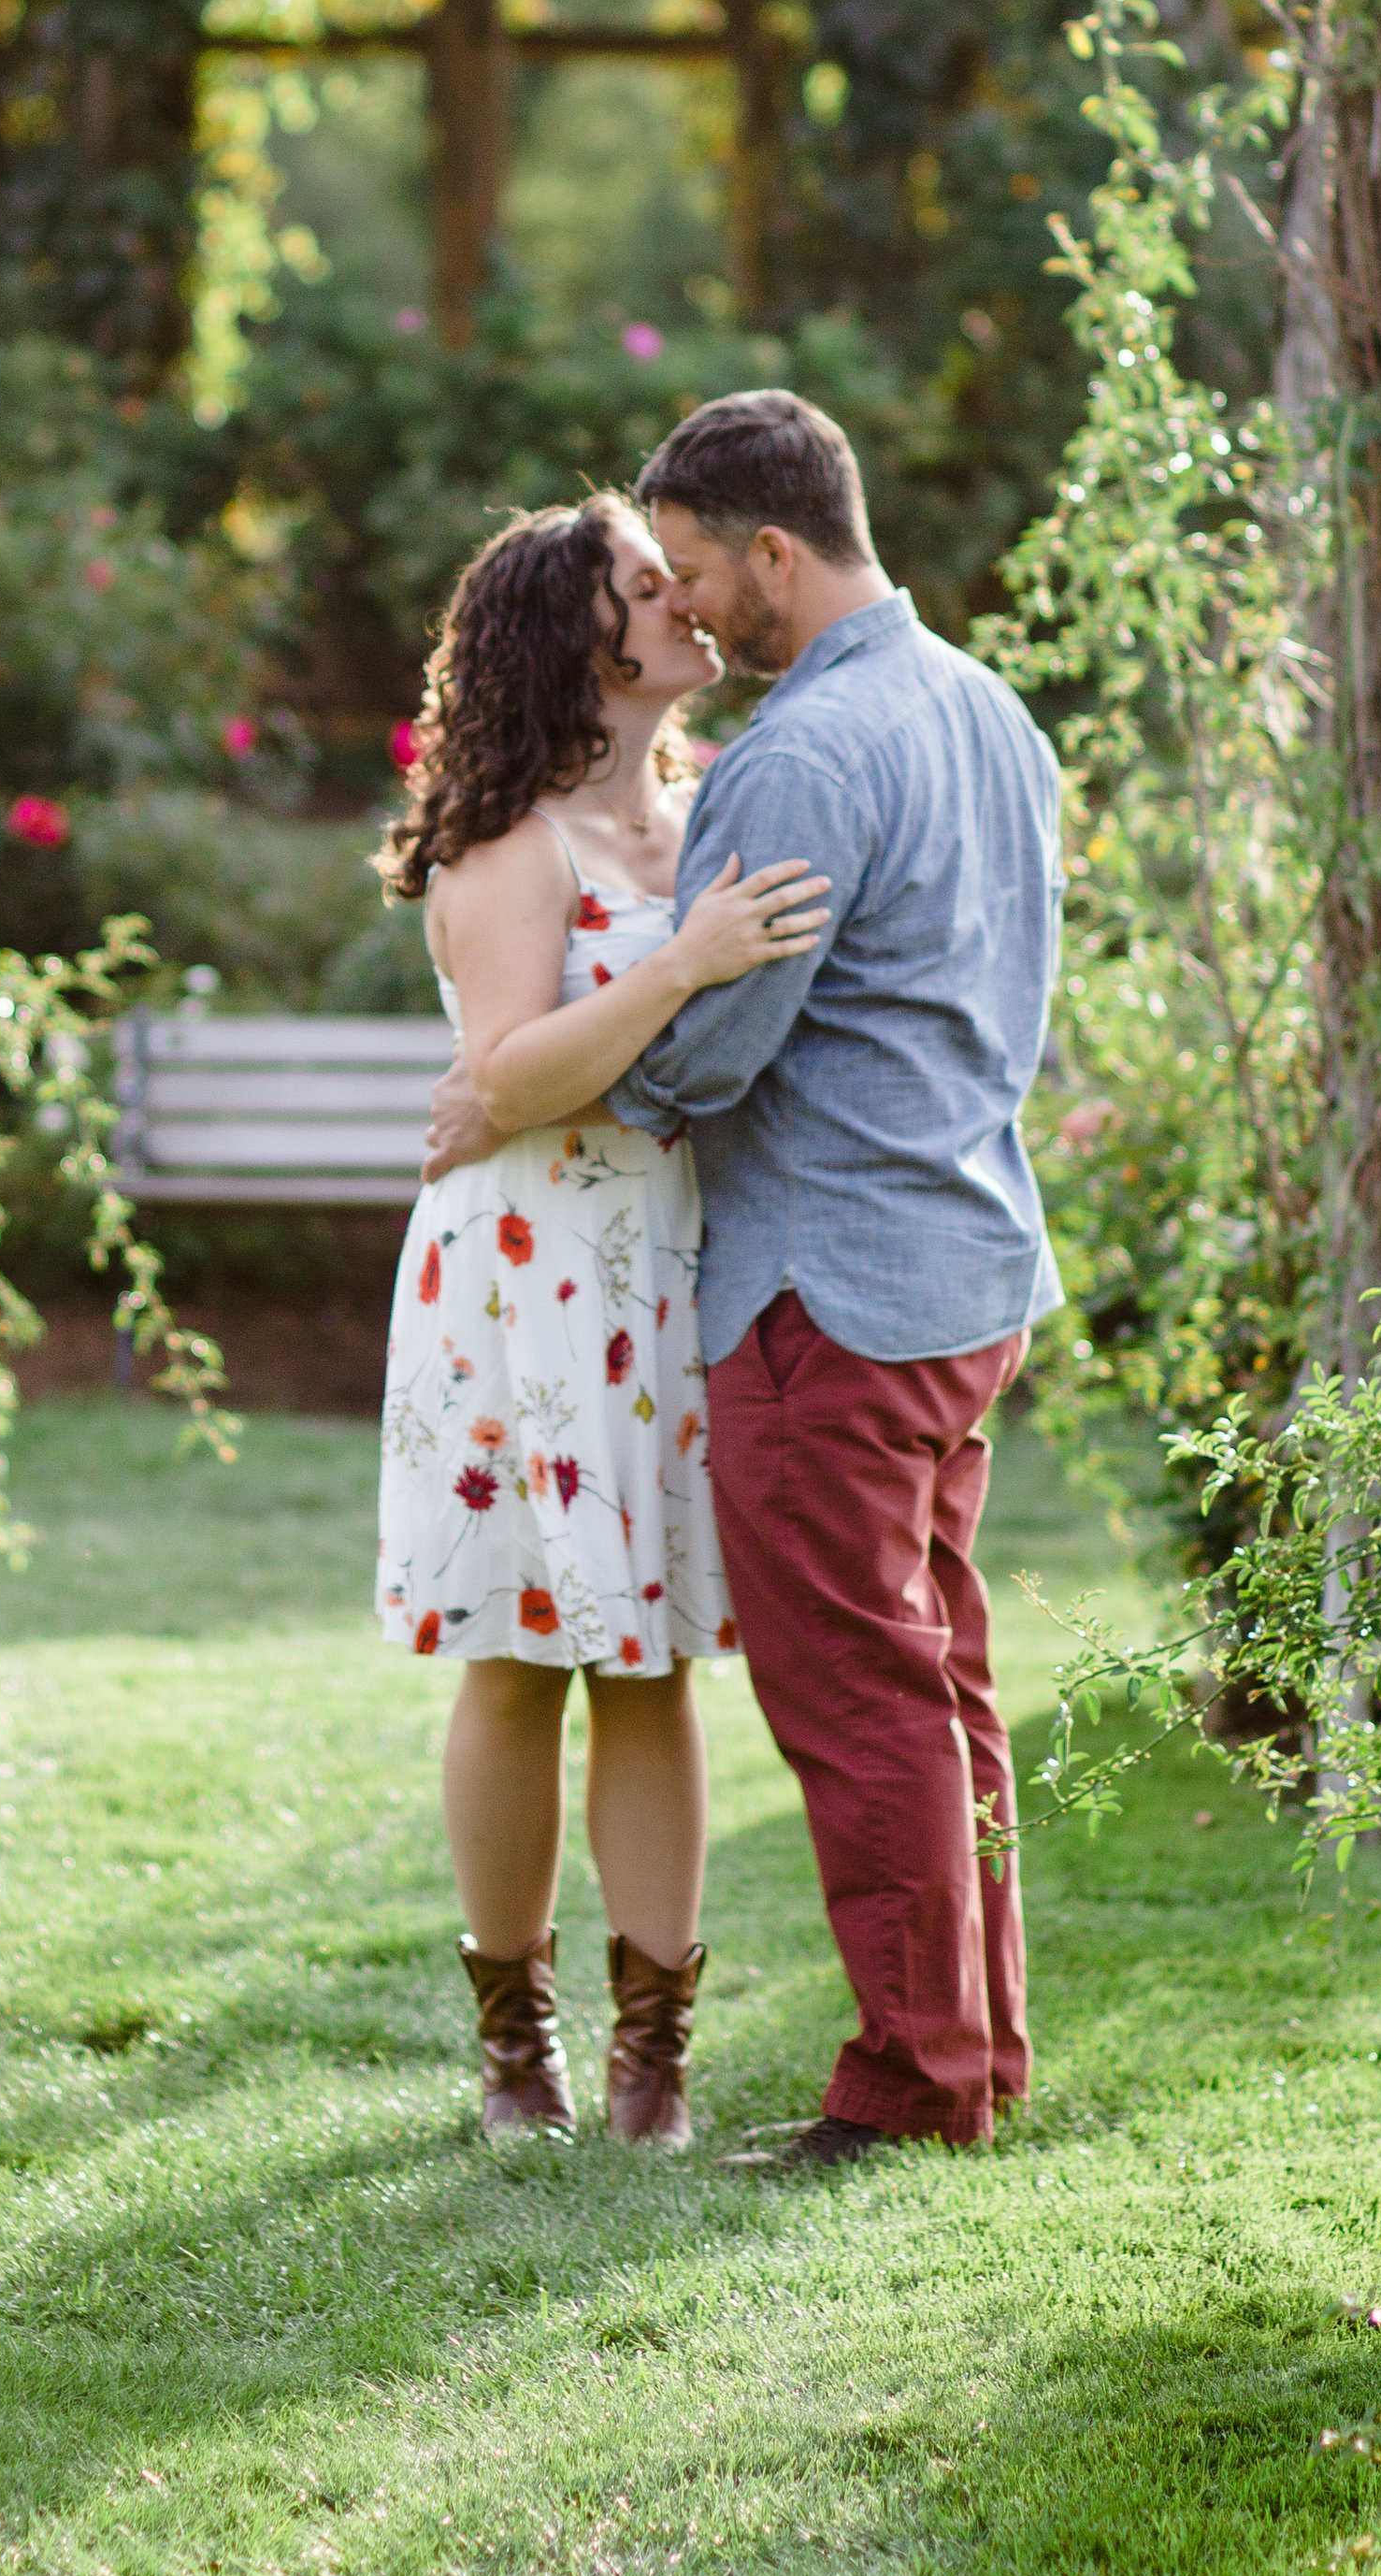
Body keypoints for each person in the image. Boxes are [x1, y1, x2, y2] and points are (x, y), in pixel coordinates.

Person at [424, 394, 1063, 2170]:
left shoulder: (792, 761)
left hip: (820, 1295)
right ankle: (976, 2053)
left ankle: (919, 2083)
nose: (695, 609)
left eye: (699, 572)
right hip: (959, 1265)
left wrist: (524, 1084)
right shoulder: (988, 711)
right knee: (936, 1686)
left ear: (775, 550)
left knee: (862, 1696)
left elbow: (707, 1064)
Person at [377, 494, 828, 2151]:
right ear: (584, 638)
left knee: (654, 1665)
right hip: (520, 1278)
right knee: (517, 1660)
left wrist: (694, 955)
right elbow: (507, 1077)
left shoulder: (708, 811)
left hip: (663, 1267)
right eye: (651, 586)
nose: (686, 604)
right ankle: (518, 2051)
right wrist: (684, 964)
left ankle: (655, 2064)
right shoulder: (512, 839)